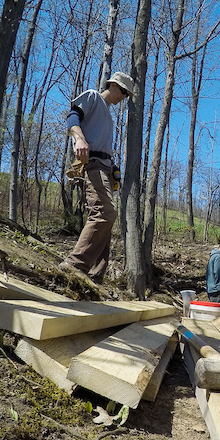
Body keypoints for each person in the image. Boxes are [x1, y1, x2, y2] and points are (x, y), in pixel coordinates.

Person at [59, 71, 133, 284]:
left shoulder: (109, 116)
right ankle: (74, 265)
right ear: (113, 85)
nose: (123, 97)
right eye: (123, 92)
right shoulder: (92, 96)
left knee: (106, 221)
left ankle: (95, 278)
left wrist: (114, 170)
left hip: (106, 167)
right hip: (92, 164)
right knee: (105, 213)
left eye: (127, 95)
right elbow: (73, 116)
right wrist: (79, 139)